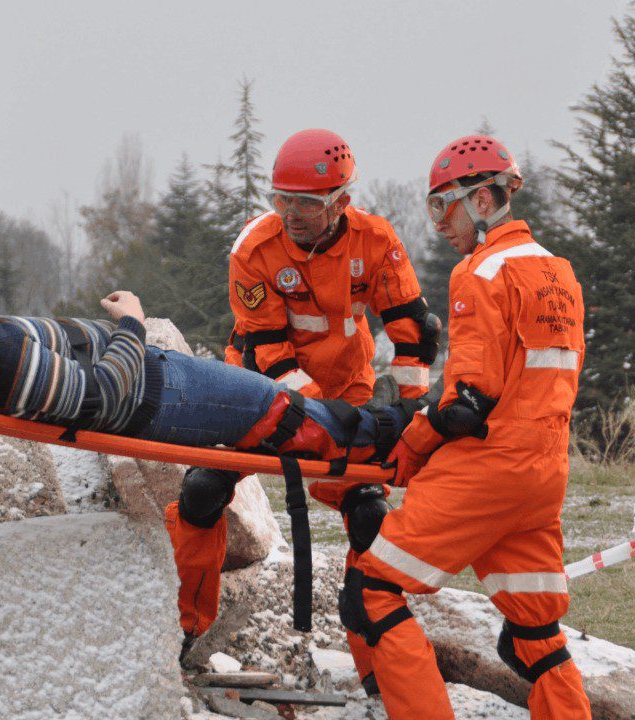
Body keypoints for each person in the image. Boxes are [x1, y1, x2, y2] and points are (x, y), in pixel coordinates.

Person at [168, 128, 440, 682]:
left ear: (340, 201)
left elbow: (412, 332)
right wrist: (323, 421)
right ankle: (184, 633)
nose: (291, 214)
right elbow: (268, 352)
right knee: (202, 489)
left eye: (307, 203)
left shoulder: (377, 241)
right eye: (281, 199)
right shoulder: (254, 250)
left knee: (368, 513)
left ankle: (375, 662)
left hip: (348, 388)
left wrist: (412, 413)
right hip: (259, 389)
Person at [345, 135, 592, 719]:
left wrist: (412, 439)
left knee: (372, 594)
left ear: (483, 200)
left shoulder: (479, 272)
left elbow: (467, 405)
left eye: (443, 207)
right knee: (534, 632)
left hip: (488, 468)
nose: (439, 225)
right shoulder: (559, 274)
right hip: (543, 473)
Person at [0, 271, 419, 469]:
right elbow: (101, 396)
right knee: (278, 411)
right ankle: (403, 438)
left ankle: (388, 431)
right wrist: (133, 325)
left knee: (276, 411)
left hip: (158, 379)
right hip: (157, 393)